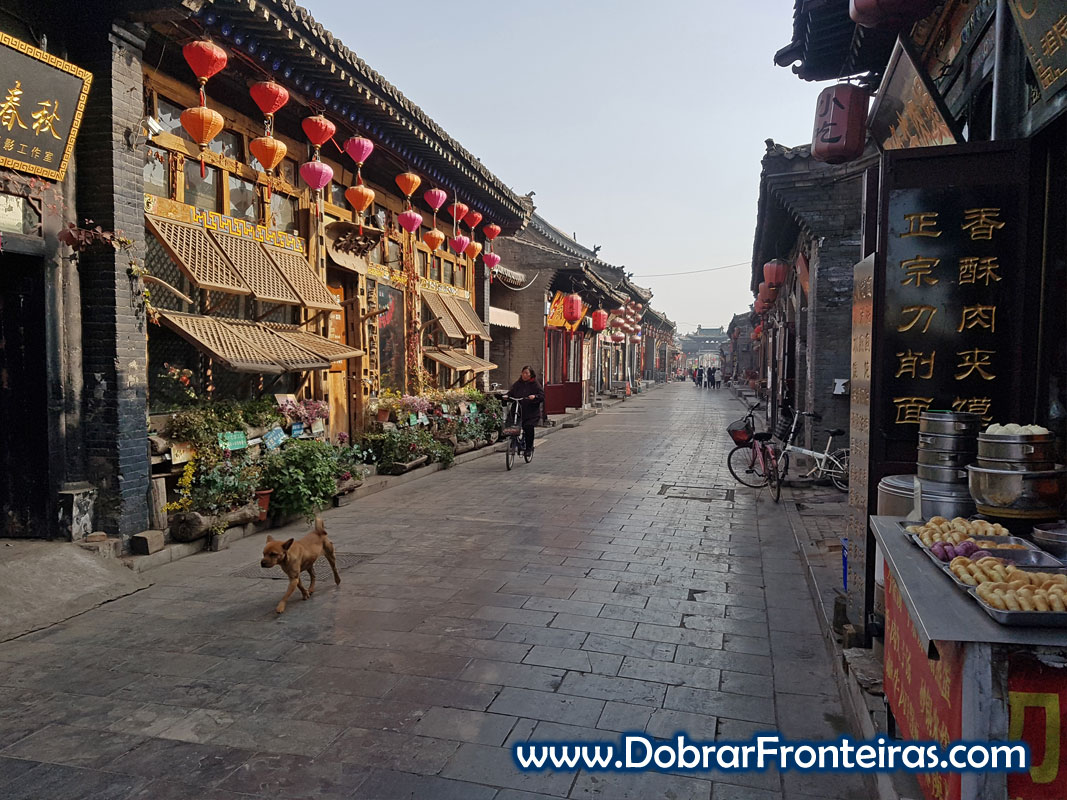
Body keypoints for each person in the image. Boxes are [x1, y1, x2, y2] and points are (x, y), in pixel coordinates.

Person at [508, 366, 545, 458]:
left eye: (526, 373)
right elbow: (511, 392)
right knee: (512, 423)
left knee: (528, 428)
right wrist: (506, 396)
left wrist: (534, 397)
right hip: (519, 409)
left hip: (531, 412)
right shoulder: (518, 384)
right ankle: (513, 441)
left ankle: (529, 448)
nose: (524, 375)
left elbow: (541, 396)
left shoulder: (535, 384)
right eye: (523, 373)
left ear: (530, 374)